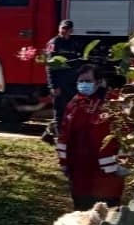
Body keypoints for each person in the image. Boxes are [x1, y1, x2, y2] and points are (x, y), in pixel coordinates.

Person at [56, 64, 125, 210]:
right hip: (79, 171)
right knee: (82, 213)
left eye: (87, 81)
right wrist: (64, 163)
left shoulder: (112, 103)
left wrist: (120, 163)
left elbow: (122, 133)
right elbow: (64, 134)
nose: (83, 85)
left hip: (105, 173)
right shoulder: (75, 103)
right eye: (80, 81)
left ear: (99, 82)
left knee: (106, 215)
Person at [42, 20, 81, 144]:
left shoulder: (74, 44)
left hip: (72, 84)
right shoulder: (54, 43)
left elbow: (77, 63)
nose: (65, 31)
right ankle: (61, 140)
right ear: (59, 28)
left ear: (71, 30)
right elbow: (49, 66)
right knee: (60, 111)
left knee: (70, 111)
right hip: (59, 84)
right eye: (63, 28)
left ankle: (47, 133)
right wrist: (53, 86)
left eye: (68, 29)